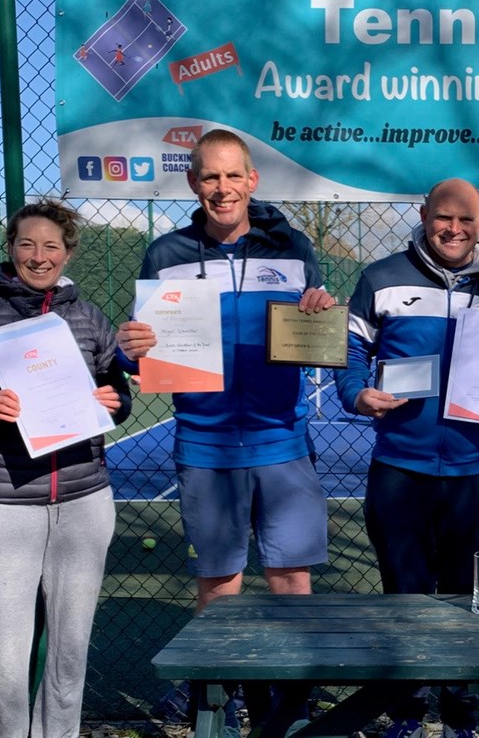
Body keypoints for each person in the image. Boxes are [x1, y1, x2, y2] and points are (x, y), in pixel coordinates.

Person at [116, 129, 334, 736]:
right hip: (206, 446)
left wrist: (317, 309)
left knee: (292, 578)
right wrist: (130, 348)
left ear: (252, 180)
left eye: (232, 176)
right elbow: (142, 352)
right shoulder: (165, 253)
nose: (222, 188)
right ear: (193, 183)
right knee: (220, 581)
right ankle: (221, 694)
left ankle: (295, 695)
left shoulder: (292, 247)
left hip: (283, 442)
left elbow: (313, 324)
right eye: (210, 177)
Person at [335, 178, 479, 738]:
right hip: (400, 470)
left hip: (475, 474)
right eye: (442, 219)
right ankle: (408, 709)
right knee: (404, 595)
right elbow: (350, 351)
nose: (453, 230)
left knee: (469, 599)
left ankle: (459, 715)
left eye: (466, 221)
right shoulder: (379, 278)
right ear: (424, 214)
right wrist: (357, 393)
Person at [0, 199, 132, 738]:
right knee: (7, 657)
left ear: (68, 252)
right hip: (6, 501)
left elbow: (118, 394)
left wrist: (113, 400)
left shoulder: (88, 317)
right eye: (27, 244)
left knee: (68, 649)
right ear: (11, 248)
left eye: (51, 246)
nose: (39, 256)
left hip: (85, 500)